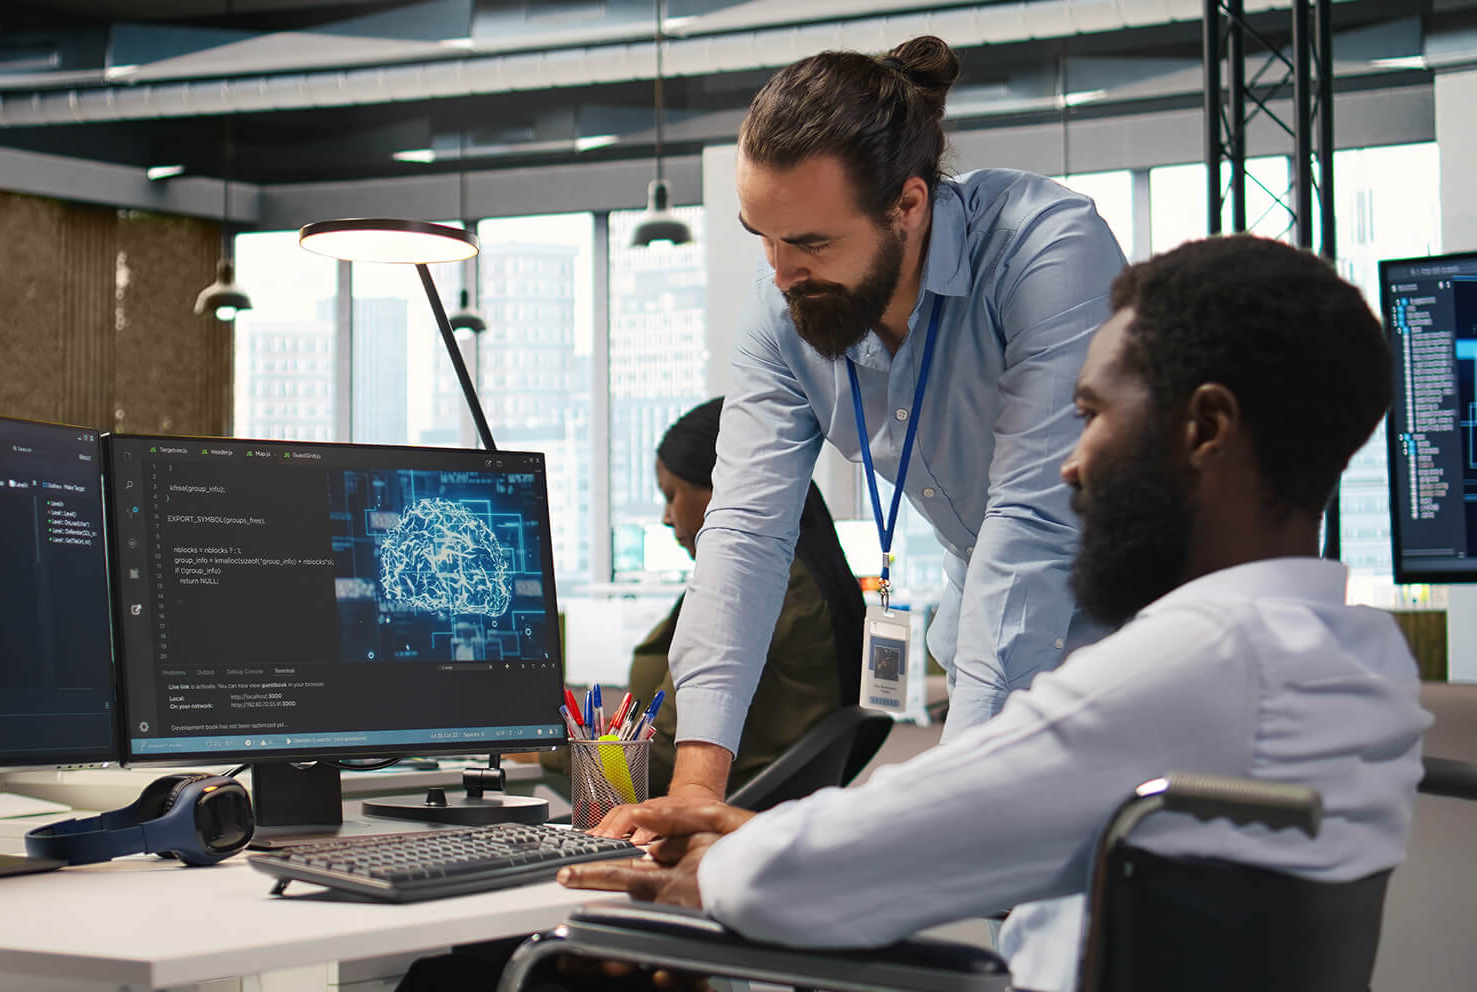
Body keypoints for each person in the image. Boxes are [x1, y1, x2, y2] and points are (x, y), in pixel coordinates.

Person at [560, 236, 1431, 992]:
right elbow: (958, 819)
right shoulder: (1353, 656)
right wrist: (780, 839)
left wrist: (717, 871)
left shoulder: (1205, 660)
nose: (1069, 462)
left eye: (1089, 415)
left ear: (1206, 428)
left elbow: (861, 862)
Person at [611, 35, 1127, 822]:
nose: (781, 272)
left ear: (909, 206)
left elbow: (1031, 525)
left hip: (1129, 622)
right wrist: (693, 794)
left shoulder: (1044, 250)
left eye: (812, 242)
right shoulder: (783, 299)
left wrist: (949, 804)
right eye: (764, 237)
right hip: (988, 624)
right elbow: (745, 531)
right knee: (1003, 909)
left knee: (1095, 916)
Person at [539, 397, 865, 798]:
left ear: (719, 490)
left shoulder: (757, 592)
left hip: (707, 810)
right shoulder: (806, 581)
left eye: (672, 494)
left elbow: (662, 760)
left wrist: (541, 751)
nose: (665, 516)